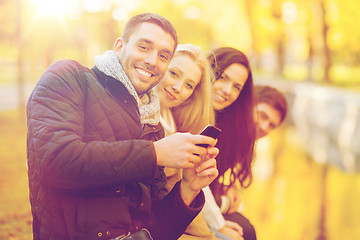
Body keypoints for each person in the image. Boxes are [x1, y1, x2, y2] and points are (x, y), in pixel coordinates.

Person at [26, 13, 219, 240]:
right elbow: (55, 162)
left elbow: (155, 231)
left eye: (164, 56)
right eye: (144, 47)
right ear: (119, 46)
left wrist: (188, 189)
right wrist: (155, 154)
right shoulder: (69, 77)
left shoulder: (152, 122)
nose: (152, 61)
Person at [200, 47, 257, 240]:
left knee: (245, 229)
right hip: (174, 205)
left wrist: (225, 188)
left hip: (202, 201)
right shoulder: (185, 112)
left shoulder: (227, 123)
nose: (227, 91)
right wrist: (219, 225)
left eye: (236, 87)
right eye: (222, 78)